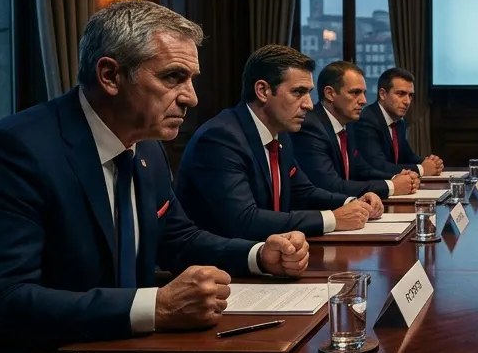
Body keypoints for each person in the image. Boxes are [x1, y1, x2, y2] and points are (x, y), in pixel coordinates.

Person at [0, 1, 310, 353]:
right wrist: (155, 307)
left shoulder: (146, 146)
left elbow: (177, 237)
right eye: (173, 77)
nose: (191, 97)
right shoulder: (13, 152)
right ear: (111, 75)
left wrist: (261, 255)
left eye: (191, 79)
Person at [175, 45, 384, 241]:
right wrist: (333, 219)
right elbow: (244, 220)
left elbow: (302, 191)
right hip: (222, 268)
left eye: (308, 93)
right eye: (298, 92)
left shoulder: (280, 133)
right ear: (263, 91)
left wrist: (353, 203)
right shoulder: (220, 138)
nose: (309, 105)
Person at [291, 61, 420, 199]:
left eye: (364, 93)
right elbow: (331, 185)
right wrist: (392, 186)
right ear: (330, 93)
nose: (364, 100)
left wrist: (397, 177)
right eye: (355, 93)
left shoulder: (349, 123)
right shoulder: (310, 127)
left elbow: (361, 169)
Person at [351, 67, 445, 177]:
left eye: (410, 95)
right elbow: (377, 165)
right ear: (383, 94)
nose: (407, 101)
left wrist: (430, 162)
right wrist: (422, 169)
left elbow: (408, 156)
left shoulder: (399, 122)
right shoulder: (367, 120)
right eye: (401, 94)